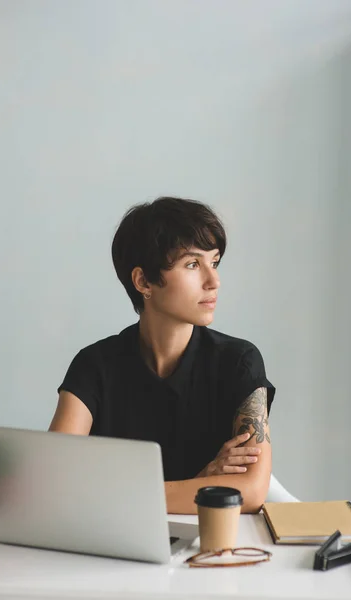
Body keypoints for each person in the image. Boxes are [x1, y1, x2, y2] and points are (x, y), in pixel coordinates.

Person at [49, 196, 275, 514]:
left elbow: (250, 491)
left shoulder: (239, 361)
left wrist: (117, 494)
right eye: (193, 264)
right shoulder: (94, 365)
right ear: (144, 281)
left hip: (211, 545)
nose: (214, 281)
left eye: (215, 262)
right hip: (114, 545)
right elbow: (53, 480)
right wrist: (201, 482)